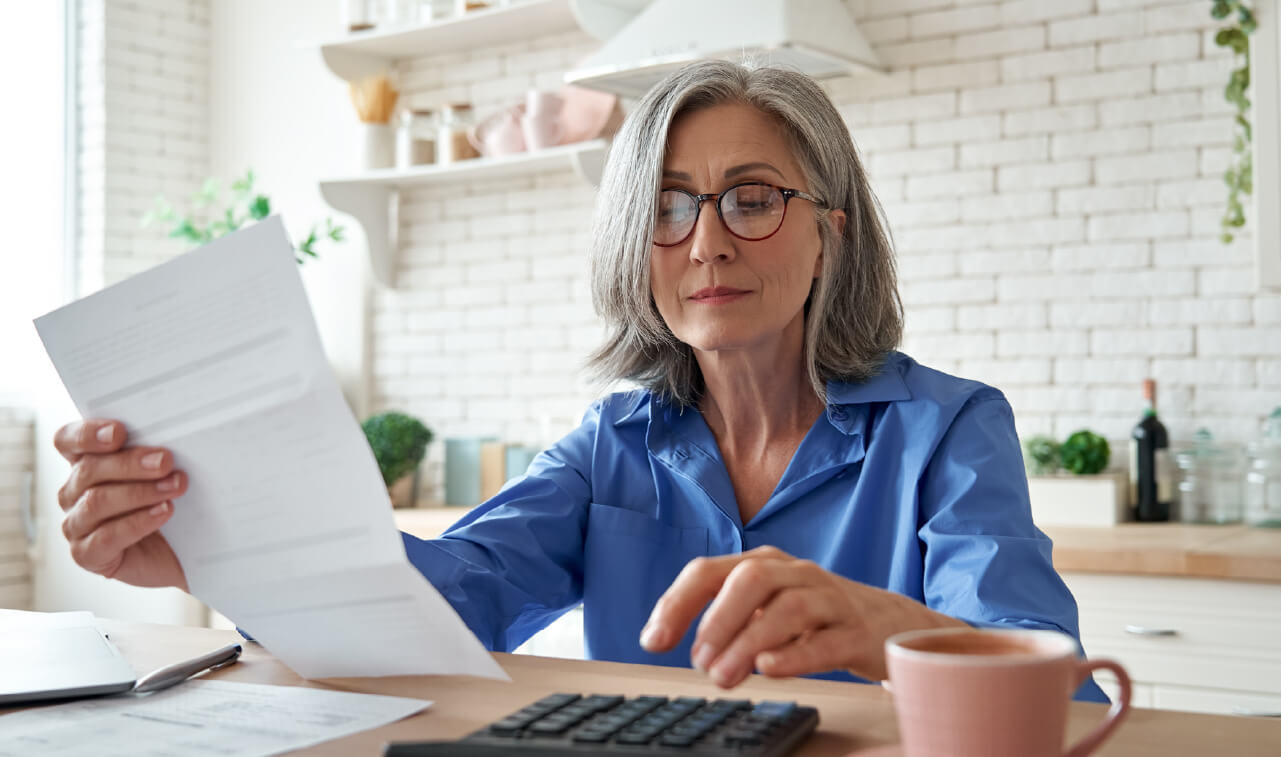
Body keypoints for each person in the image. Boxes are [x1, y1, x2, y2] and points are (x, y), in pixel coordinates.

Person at [53, 60, 1106, 701]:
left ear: (829, 234)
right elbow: (442, 603)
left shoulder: (949, 430)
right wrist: (211, 547)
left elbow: (1054, 682)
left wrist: (882, 628)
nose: (705, 243)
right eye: (667, 206)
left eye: (750, 199)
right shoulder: (612, 445)